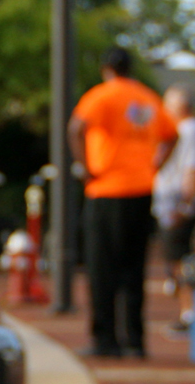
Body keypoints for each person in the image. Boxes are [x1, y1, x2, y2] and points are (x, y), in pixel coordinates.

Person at [67, 47, 177, 358]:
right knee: (134, 268)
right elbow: (172, 135)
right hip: (142, 190)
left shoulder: (101, 95)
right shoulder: (148, 98)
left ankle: (105, 340)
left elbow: (75, 128)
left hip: (106, 189)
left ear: (106, 69)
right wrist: (156, 165)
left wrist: (85, 168)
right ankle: (135, 340)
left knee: (102, 269)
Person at [153, 85, 195, 334]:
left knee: (180, 261)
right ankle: (188, 313)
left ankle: (191, 314)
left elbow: (194, 167)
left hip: (177, 206)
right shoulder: (183, 129)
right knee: (174, 262)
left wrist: (185, 206)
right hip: (170, 205)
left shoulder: (190, 129)